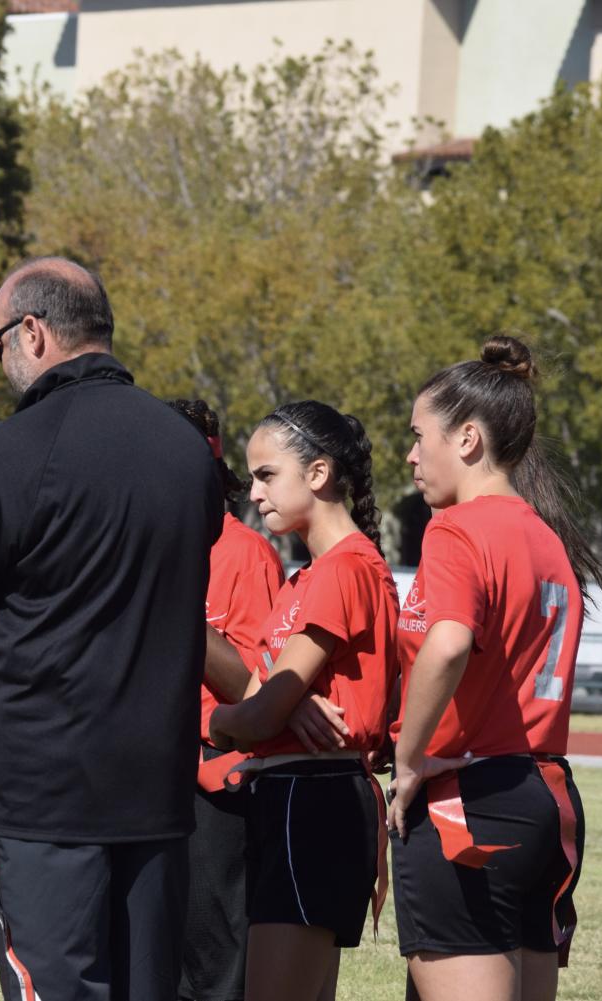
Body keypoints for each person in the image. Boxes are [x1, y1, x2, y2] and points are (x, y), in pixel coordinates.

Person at [0, 257, 222, 1001]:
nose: (1, 359)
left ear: (32, 332)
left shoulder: (13, 450)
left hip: (46, 796)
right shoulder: (185, 452)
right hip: (157, 792)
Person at [389, 335, 596, 1001]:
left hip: (469, 798)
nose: (411, 454)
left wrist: (408, 756)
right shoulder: (545, 535)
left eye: (421, 436)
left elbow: (446, 646)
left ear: (469, 438)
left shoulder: (457, 528)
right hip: (540, 798)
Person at [207, 400, 398, 1001]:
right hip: (293, 797)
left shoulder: (346, 568)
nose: (254, 492)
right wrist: (266, 712)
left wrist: (219, 723)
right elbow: (268, 694)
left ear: (317, 474)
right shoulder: (306, 577)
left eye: (267, 475)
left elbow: (262, 708)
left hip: (310, 801)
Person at [169, 398, 285, 1001]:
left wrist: (175, 590)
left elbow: (253, 685)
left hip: (215, 782)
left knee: (214, 970)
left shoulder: (243, 551)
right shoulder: (126, 542)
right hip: (142, 780)